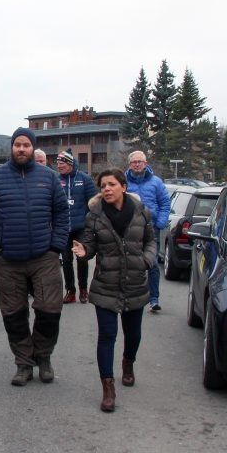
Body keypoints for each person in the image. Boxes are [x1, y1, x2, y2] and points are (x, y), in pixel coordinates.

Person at [0, 127, 69, 386]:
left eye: (26, 145)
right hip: (8, 261)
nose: (21, 149)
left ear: (33, 148)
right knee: (14, 316)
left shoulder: (49, 178)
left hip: (44, 258)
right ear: (11, 148)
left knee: (50, 311)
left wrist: (56, 247)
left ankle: (44, 357)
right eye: (17, 144)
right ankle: (23, 364)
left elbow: (62, 214)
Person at [71, 168, 156, 412]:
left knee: (134, 334)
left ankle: (128, 363)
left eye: (111, 184)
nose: (106, 189)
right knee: (107, 337)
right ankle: (108, 388)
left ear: (123, 187)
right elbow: (90, 243)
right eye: (103, 186)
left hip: (134, 282)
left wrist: (147, 260)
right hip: (106, 285)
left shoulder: (142, 212)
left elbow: (150, 240)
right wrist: (85, 251)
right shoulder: (94, 216)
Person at [125, 151, 170, 313]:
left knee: (152, 264)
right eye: (134, 162)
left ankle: (154, 299)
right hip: (129, 229)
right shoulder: (123, 182)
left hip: (151, 228)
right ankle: (130, 297)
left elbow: (165, 203)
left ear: (146, 163)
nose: (137, 164)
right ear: (130, 164)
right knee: (130, 264)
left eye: (140, 162)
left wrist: (161, 222)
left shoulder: (156, 182)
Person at [56, 149, 97, 304]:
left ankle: (83, 289)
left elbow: (93, 203)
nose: (59, 166)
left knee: (82, 259)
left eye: (62, 163)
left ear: (70, 163)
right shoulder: (56, 180)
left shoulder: (84, 179)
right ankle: (70, 290)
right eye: (58, 163)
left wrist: (90, 223)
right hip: (63, 228)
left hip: (81, 227)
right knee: (66, 261)